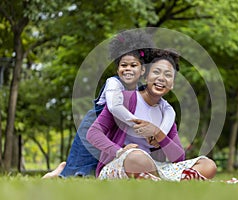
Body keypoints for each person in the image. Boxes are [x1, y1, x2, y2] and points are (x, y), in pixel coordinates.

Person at [42, 30, 176, 178]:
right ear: (117, 69)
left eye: (133, 65)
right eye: (124, 65)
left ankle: (62, 169)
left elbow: (160, 106)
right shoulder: (113, 83)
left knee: (99, 166)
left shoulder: (140, 89)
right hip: (95, 124)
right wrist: (137, 125)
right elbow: (114, 107)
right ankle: (58, 174)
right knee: (82, 165)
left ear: (142, 70)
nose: (128, 69)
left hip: (113, 131)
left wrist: (157, 133)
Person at [86, 49, 217, 181]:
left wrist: (157, 133)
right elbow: (93, 133)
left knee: (207, 165)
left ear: (172, 84)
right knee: (137, 157)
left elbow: (178, 158)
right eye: (156, 72)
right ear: (145, 77)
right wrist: (119, 151)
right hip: (120, 164)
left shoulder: (166, 113)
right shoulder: (124, 99)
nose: (161, 78)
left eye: (168, 75)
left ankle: (160, 183)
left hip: (154, 167)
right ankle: (171, 185)